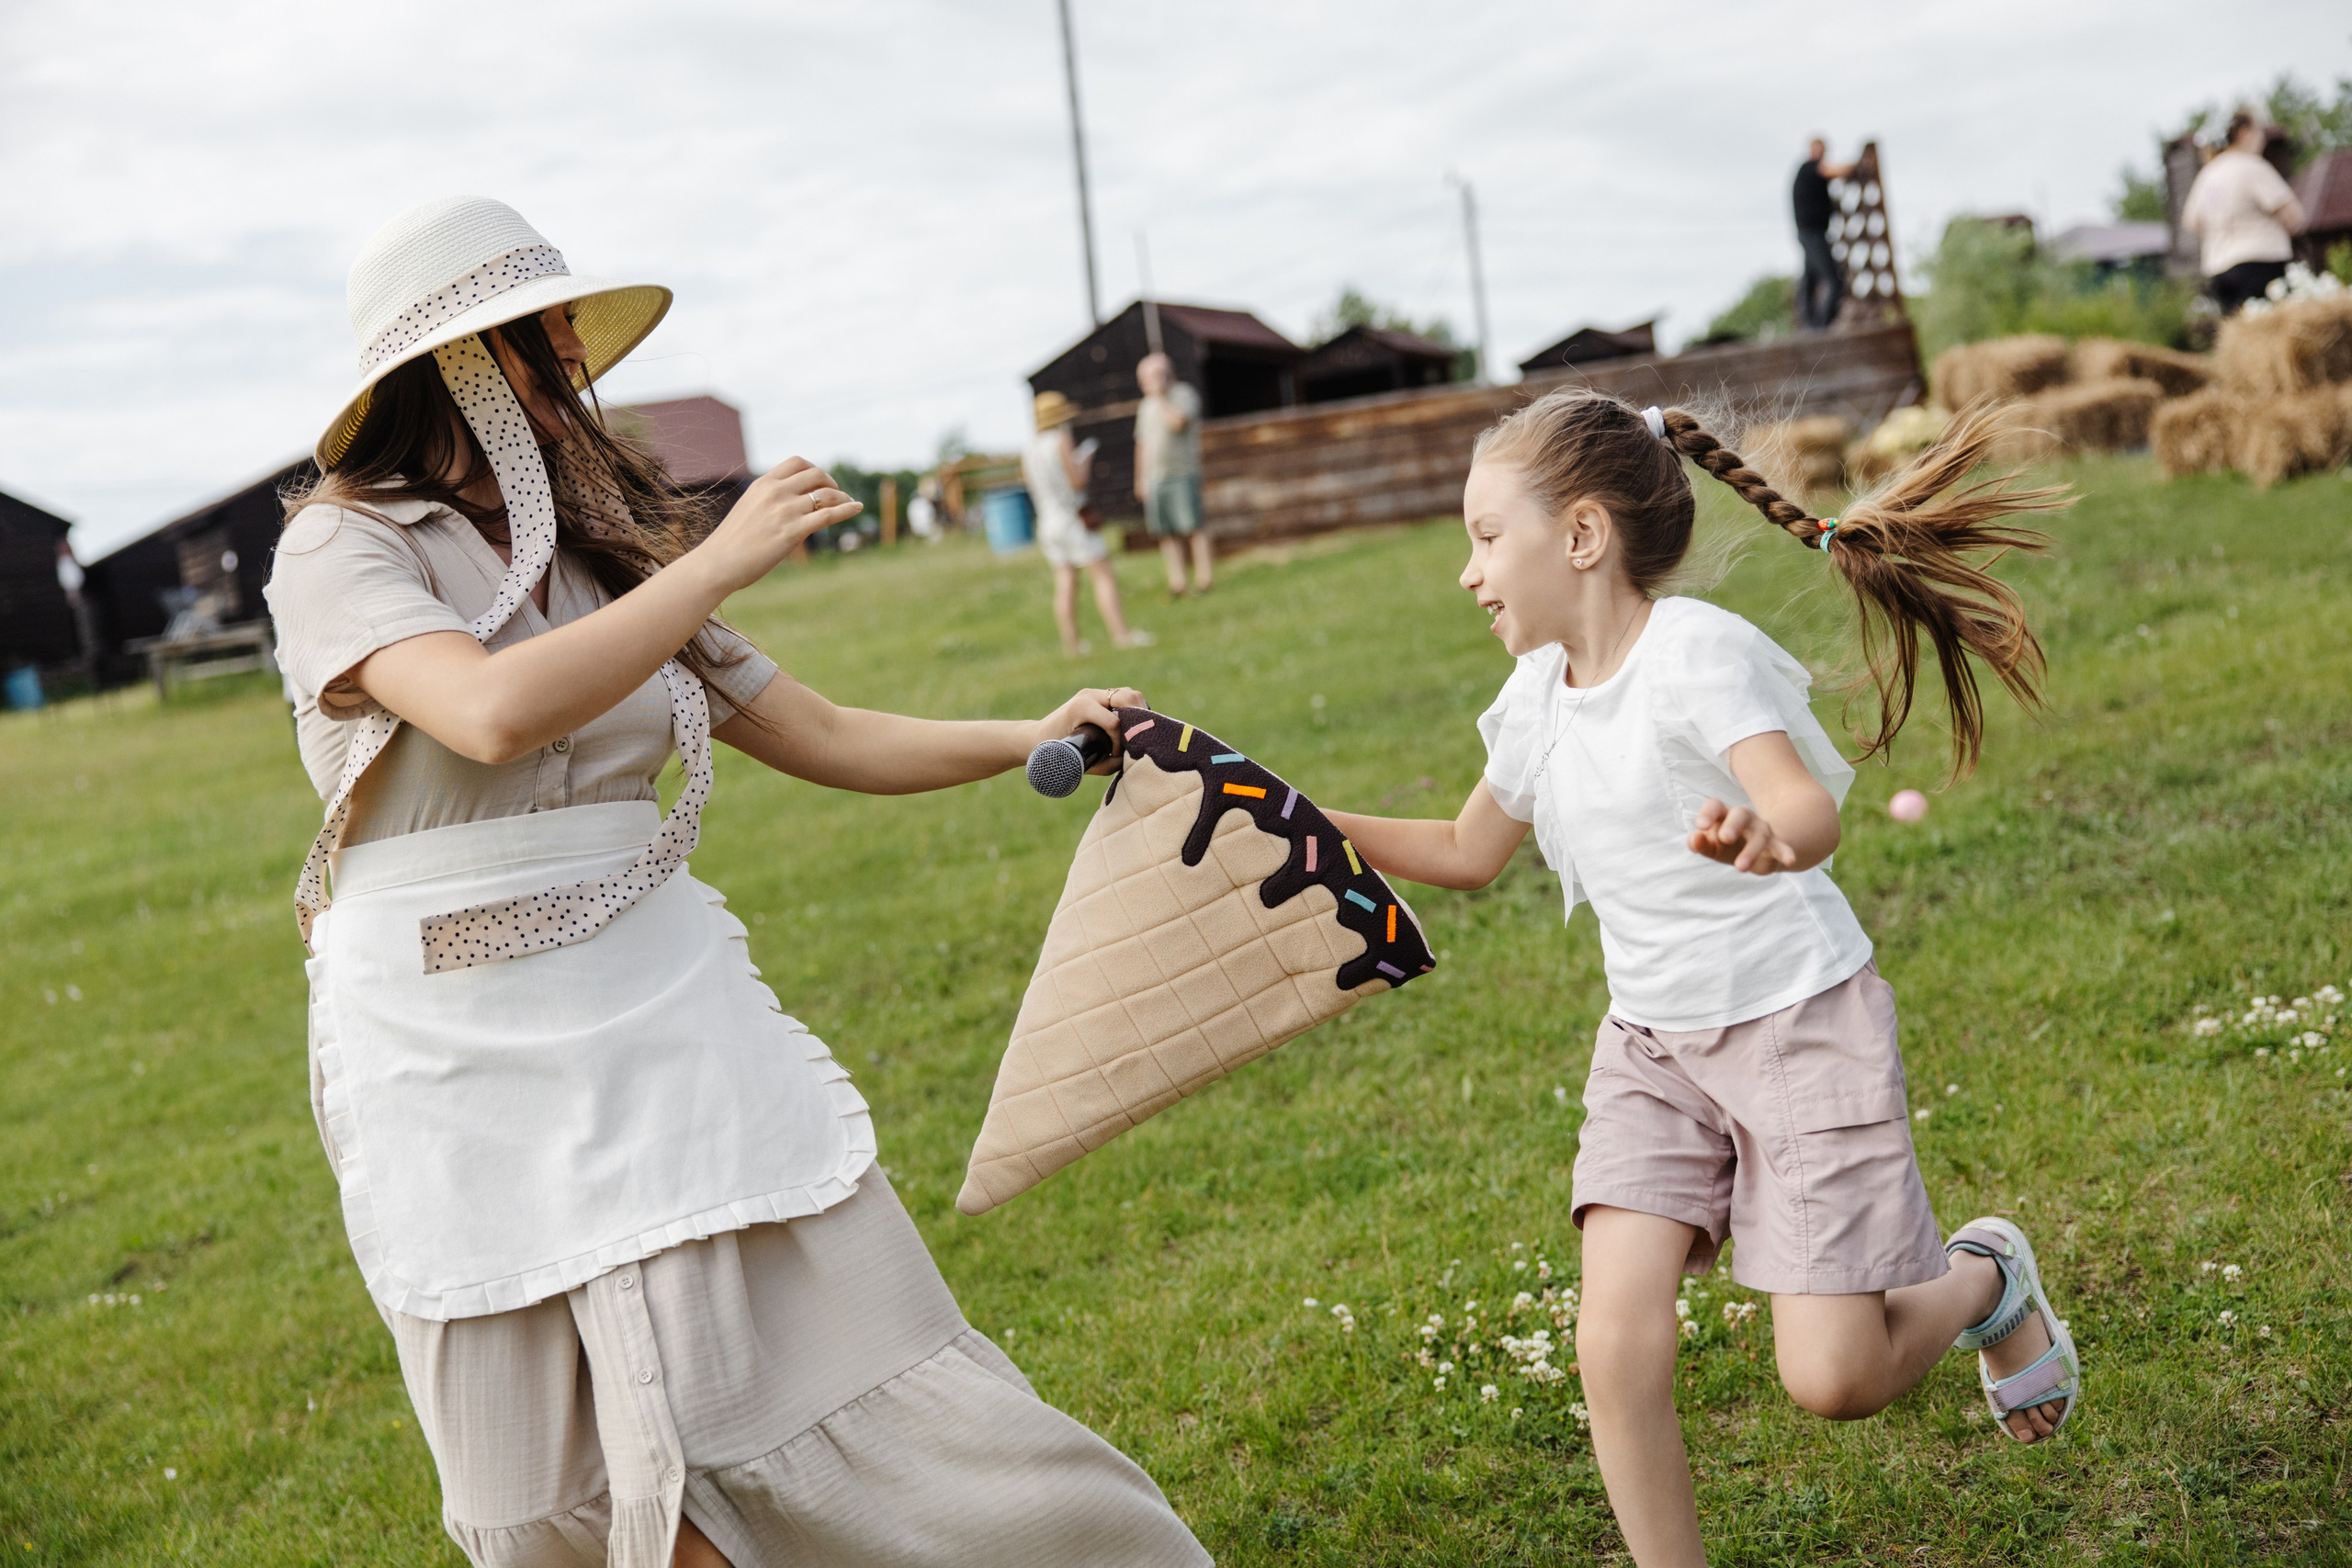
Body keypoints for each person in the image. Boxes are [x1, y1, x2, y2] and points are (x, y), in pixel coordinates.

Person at [266, 197, 1208, 1568]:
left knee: (832, 1375)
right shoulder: (344, 544)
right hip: (448, 1039)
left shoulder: (603, 558)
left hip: (652, 999)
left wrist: (1034, 733)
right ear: (455, 367)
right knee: (563, 1478)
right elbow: (482, 713)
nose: (571, 372)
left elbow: (820, 732)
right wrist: (715, 557)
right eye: (538, 344)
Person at [1320, 390, 2082, 1566]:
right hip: (1653, 1049)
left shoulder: (1694, 653)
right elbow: (1469, 852)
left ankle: (1981, 1279)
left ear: (1580, 536)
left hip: (1794, 1024)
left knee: (1834, 1379)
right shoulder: (1535, 697)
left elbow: (1802, 806)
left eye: (1483, 537)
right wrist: (1300, 820)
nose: (1467, 574)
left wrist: (1772, 838)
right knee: (1612, 1347)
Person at [1023, 389, 1144, 656]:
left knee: (1065, 581)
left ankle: (1072, 645)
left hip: (1047, 522)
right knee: (1103, 575)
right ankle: (1121, 635)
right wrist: (1085, 462)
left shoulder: (1030, 448)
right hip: (1072, 519)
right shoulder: (1060, 440)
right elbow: (1077, 481)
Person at [2183, 108, 2307, 315]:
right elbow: (2294, 215)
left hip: (2219, 268)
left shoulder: (2207, 175)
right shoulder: (2252, 167)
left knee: (2239, 334)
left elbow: (2191, 221)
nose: (2263, 139)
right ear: (2244, 133)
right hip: (2261, 264)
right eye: (2259, 131)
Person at [1133, 354, 1212, 597]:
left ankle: (1204, 579)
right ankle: (1177, 583)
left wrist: (1160, 398)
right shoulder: (1144, 406)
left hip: (1182, 473)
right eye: (1143, 379)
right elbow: (1142, 443)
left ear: (1166, 374)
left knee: (1193, 528)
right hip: (1156, 477)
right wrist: (1140, 478)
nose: (1146, 383)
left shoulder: (1183, 395)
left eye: (1151, 377)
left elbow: (1177, 423)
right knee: (1165, 533)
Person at [1792, 139, 1856, 332]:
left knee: (1810, 282)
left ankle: (1812, 328)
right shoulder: (1810, 168)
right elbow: (1835, 171)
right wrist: (1858, 164)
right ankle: (1821, 328)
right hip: (1812, 234)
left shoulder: (1809, 171)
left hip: (1810, 233)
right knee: (1834, 281)